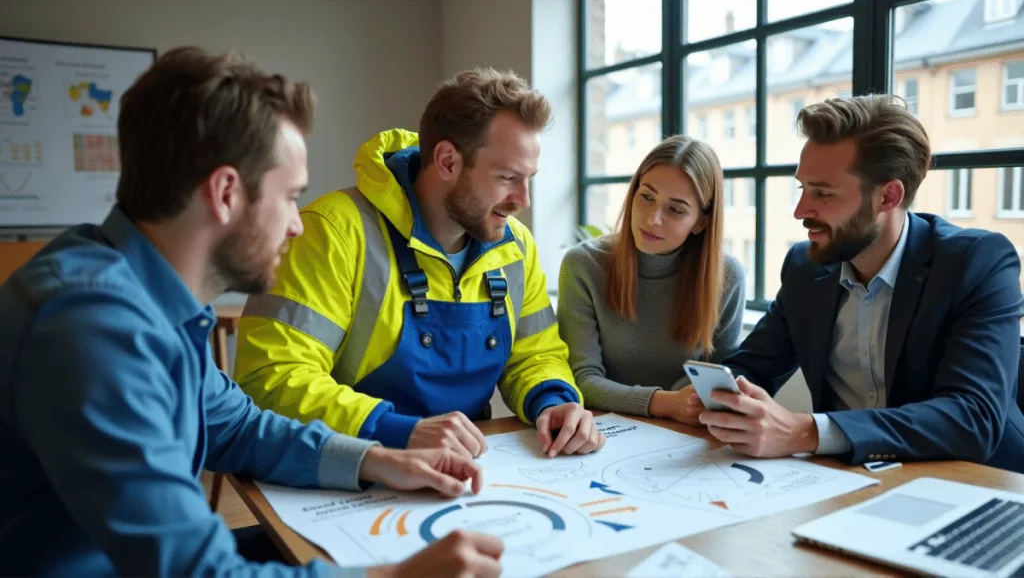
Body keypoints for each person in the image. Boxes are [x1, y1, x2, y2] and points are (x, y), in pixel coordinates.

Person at [0, 46, 506, 577]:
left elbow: (238, 427)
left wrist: (378, 460)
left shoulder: (142, 293)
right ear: (224, 193)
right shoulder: (90, 328)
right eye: (289, 197)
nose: (296, 224)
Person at [234, 68, 605, 459]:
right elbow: (271, 378)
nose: (522, 200)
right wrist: (398, 431)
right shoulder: (332, 231)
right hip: (354, 466)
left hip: (471, 469)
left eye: (528, 178)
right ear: (447, 161)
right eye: (507, 177)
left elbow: (536, 354)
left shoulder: (516, 247)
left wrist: (553, 400)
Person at [676, 94, 1024, 474]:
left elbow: (973, 417)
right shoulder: (804, 268)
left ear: (888, 196)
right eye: (802, 189)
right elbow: (754, 365)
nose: (800, 211)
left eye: (823, 193)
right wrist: (722, 399)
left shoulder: (977, 262)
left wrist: (805, 431)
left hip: (978, 482)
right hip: (849, 479)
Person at [556, 135, 745, 421]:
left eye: (675, 209)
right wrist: (668, 403)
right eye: (646, 197)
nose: (652, 219)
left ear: (701, 222)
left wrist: (688, 404)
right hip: (600, 431)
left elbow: (720, 380)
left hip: (686, 437)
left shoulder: (727, 277)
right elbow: (582, 380)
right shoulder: (583, 265)